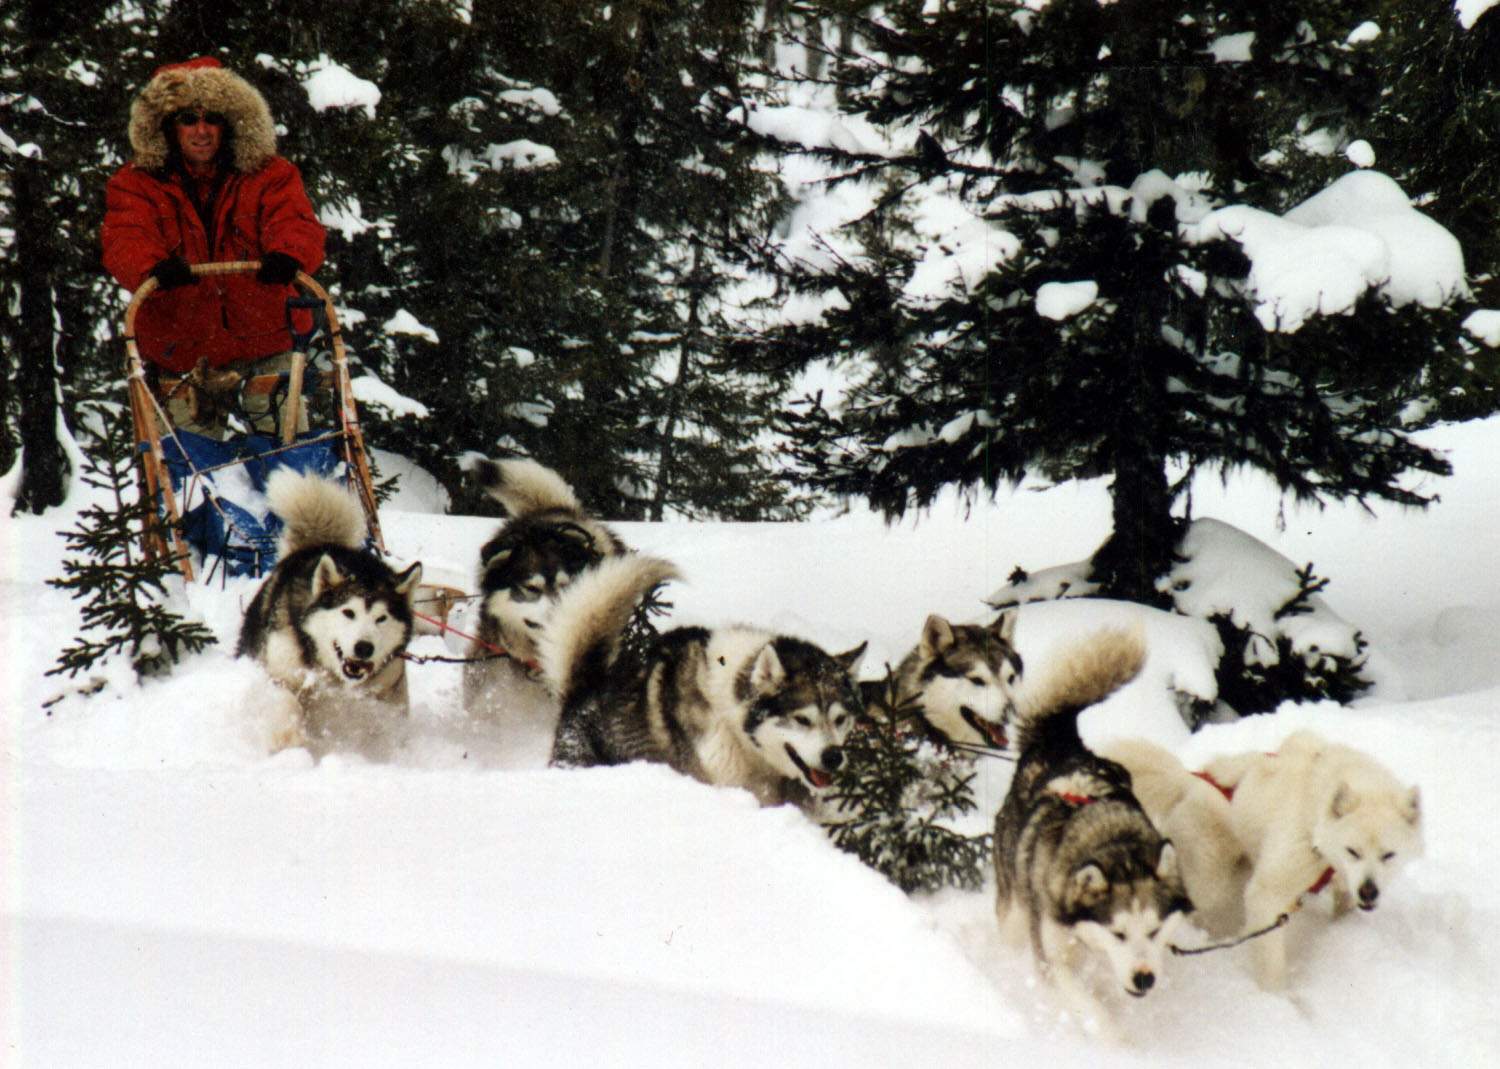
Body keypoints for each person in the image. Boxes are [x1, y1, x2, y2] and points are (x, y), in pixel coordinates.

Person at [102, 57, 327, 438]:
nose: (202, 131)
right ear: (168, 126)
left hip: (265, 333)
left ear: (232, 123)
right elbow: (126, 237)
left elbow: (295, 222)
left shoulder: (270, 174)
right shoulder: (135, 184)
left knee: (285, 454)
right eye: (189, 118)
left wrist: (289, 254)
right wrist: (152, 269)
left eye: (213, 119)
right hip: (181, 343)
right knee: (187, 468)